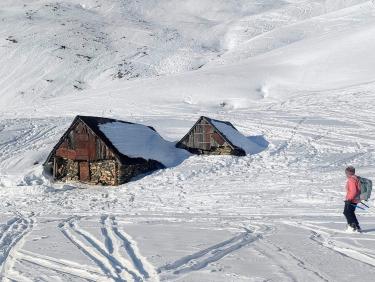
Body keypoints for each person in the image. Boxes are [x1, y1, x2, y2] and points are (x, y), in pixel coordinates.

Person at [343, 166, 361, 232]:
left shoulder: (351, 180)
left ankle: (352, 227)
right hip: (355, 199)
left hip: (351, 199)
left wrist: (349, 199)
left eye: (346, 173)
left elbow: (353, 191)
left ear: (348, 173)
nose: (346, 174)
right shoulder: (356, 178)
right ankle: (357, 226)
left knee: (346, 212)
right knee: (350, 212)